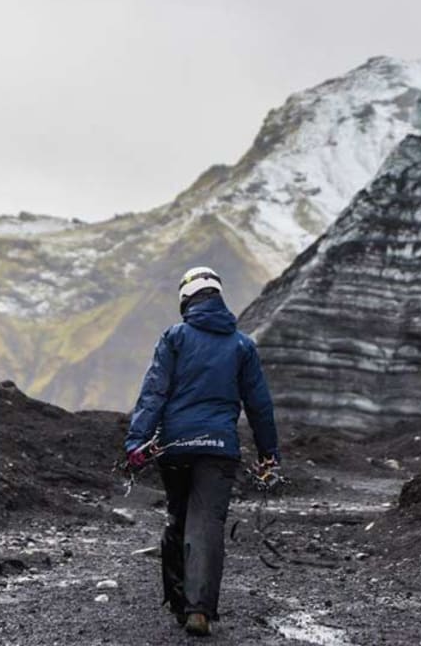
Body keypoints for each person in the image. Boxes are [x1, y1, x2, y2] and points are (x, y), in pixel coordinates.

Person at [125, 266, 280, 636]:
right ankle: (200, 610)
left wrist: (136, 442)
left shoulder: (174, 337)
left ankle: (179, 602)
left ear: (186, 298)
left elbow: (154, 393)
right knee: (207, 524)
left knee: (178, 519)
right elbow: (259, 404)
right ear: (218, 297)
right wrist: (268, 452)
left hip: (175, 447)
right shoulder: (242, 345)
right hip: (219, 450)